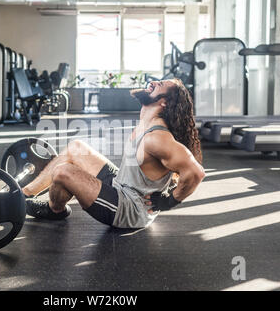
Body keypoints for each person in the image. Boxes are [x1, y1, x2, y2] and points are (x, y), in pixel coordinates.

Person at [22, 79, 205, 229]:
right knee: (76, 147)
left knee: (63, 171)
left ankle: (53, 210)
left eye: (160, 85)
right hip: (121, 185)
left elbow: (196, 172)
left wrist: (169, 201)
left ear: (163, 102)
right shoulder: (147, 122)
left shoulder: (158, 138)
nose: (153, 82)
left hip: (129, 210)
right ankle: (23, 195)